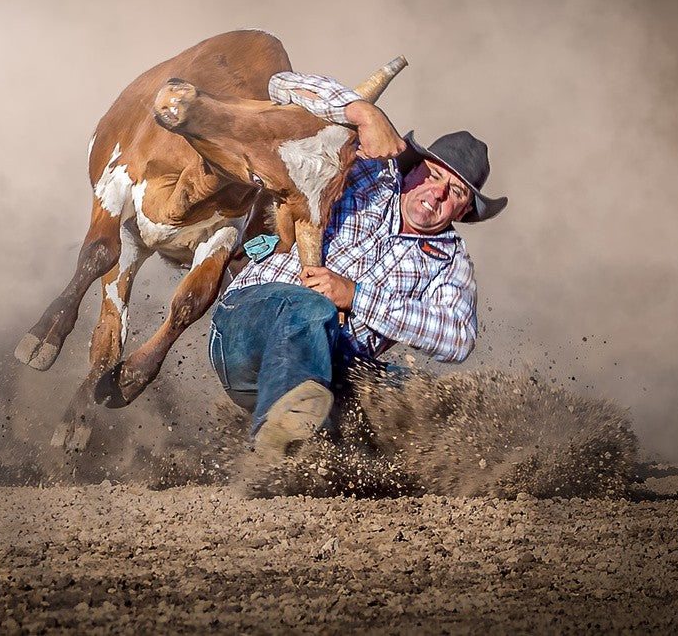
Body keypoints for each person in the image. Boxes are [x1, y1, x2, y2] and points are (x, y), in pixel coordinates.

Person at [208, 71, 507, 456]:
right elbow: (279, 84)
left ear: (465, 210)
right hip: (247, 329)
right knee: (311, 307)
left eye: (456, 192)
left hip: (335, 365)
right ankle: (278, 444)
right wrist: (363, 113)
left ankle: (337, 461)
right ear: (412, 167)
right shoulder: (360, 173)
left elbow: (457, 337)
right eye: (433, 175)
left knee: (421, 395)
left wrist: (357, 297)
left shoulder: (451, 263)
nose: (436, 194)